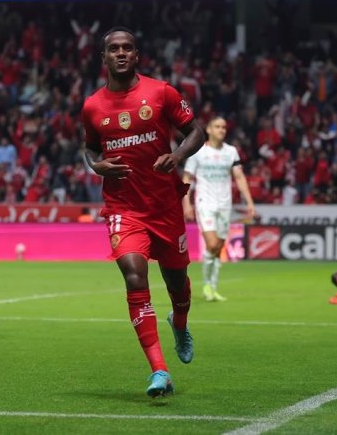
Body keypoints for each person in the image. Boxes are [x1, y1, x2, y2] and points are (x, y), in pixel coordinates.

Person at [81, 26, 205, 397]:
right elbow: (90, 147)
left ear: (136, 55)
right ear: (104, 57)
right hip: (124, 208)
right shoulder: (92, 106)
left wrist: (177, 156)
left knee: (177, 284)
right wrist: (96, 165)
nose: (121, 53)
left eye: (127, 48)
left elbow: (196, 131)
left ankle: (179, 322)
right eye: (114, 49)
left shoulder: (161, 92)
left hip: (165, 206)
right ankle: (159, 371)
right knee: (135, 277)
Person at [182, 116, 256, 302]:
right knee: (213, 244)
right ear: (208, 129)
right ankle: (207, 284)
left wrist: (249, 202)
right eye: (217, 126)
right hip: (204, 203)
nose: (222, 130)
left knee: (219, 247)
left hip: (225, 204)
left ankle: (212, 287)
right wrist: (186, 203)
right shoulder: (198, 152)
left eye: (223, 127)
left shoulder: (231, 152)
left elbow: (239, 177)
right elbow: (187, 178)